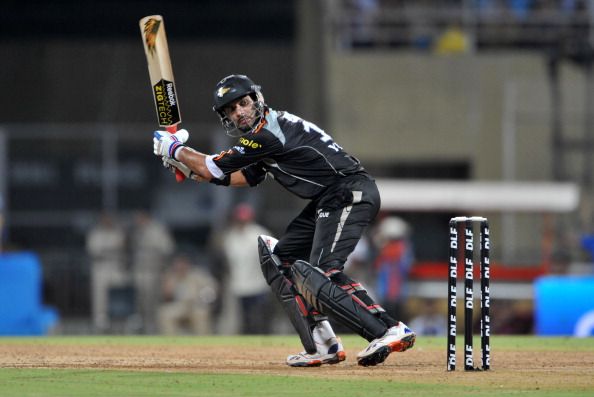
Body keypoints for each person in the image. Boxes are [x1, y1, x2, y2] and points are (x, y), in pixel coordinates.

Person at [152, 74, 415, 367]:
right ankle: (322, 344)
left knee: (324, 271)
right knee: (280, 258)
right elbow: (241, 176)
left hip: (348, 190)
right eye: (231, 109)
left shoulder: (268, 134)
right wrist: (185, 166)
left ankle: (389, 329)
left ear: (256, 99)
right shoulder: (264, 137)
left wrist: (176, 150)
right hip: (327, 198)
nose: (239, 111)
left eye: (243, 103)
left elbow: (213, 167)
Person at [219, 203, 273, 334]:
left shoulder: (260, 234)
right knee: (245, 318)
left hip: (259, 284)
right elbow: (226, 262)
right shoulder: (230, 237)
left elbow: (271, 257)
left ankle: (265, 341)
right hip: (239, 285)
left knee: (261, 317)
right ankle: (249, 343)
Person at [130, 211, 175, 333]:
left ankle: (153, 328)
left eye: (139, 218)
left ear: (146, 217)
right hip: (140, 270)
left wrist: (164, 268)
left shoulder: (158, 230)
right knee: (139, 302)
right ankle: (142, 327)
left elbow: (167, 249)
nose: (137, 221)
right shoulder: (137, 231)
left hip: (153, 270)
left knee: (153, 302)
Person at [86, 212, 128, 333]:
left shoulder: (118, 232)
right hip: (101, 268)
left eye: (109, 219)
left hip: (116, 267)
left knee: (119, 295)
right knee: (100, 297)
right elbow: (94, 251)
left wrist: (110, 249)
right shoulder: (95, 234)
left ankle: (120, 323)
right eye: (105, 219)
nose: (107, 222)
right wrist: (110, 249)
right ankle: (99, 324)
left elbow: (122, 246)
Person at [158, 255, 218, 335]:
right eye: (177, 265)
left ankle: (203, 342)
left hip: (196, 305)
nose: (180, 267)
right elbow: (167, 296)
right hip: (180, 306)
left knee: (201, 314)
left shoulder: (197, 275)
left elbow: (212, 289)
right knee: (165, 313)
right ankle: (170, 341)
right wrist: (168, 287)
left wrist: (203, 300)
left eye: (182, 264)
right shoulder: (172, 276)